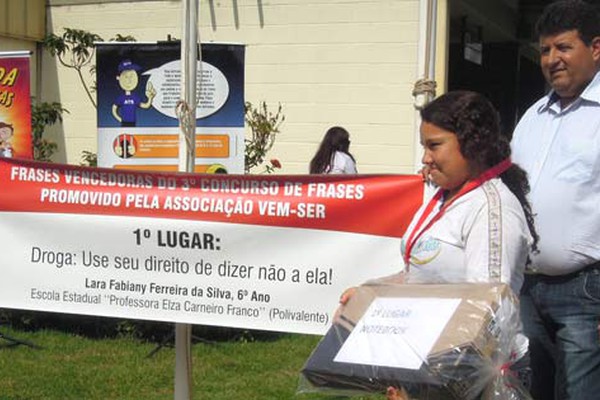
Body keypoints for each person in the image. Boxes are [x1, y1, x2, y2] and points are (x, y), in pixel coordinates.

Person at [339, 91, 538, 400]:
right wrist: (371, 295)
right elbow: (425, 275)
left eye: (434, 145)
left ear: (473, 143)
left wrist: (434, 386)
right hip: (436, 363)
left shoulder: (490, 209)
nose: (425, 158)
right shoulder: (443, 196)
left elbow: (489, 314)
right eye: (423, 146)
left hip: (475, 378)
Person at [510, 1, 600, 399]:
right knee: (536, 391)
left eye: (563, 47)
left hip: (587, 292)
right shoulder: (532, 117)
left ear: (595, 48)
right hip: (529, 290)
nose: (552, 59)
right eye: (545, 50)